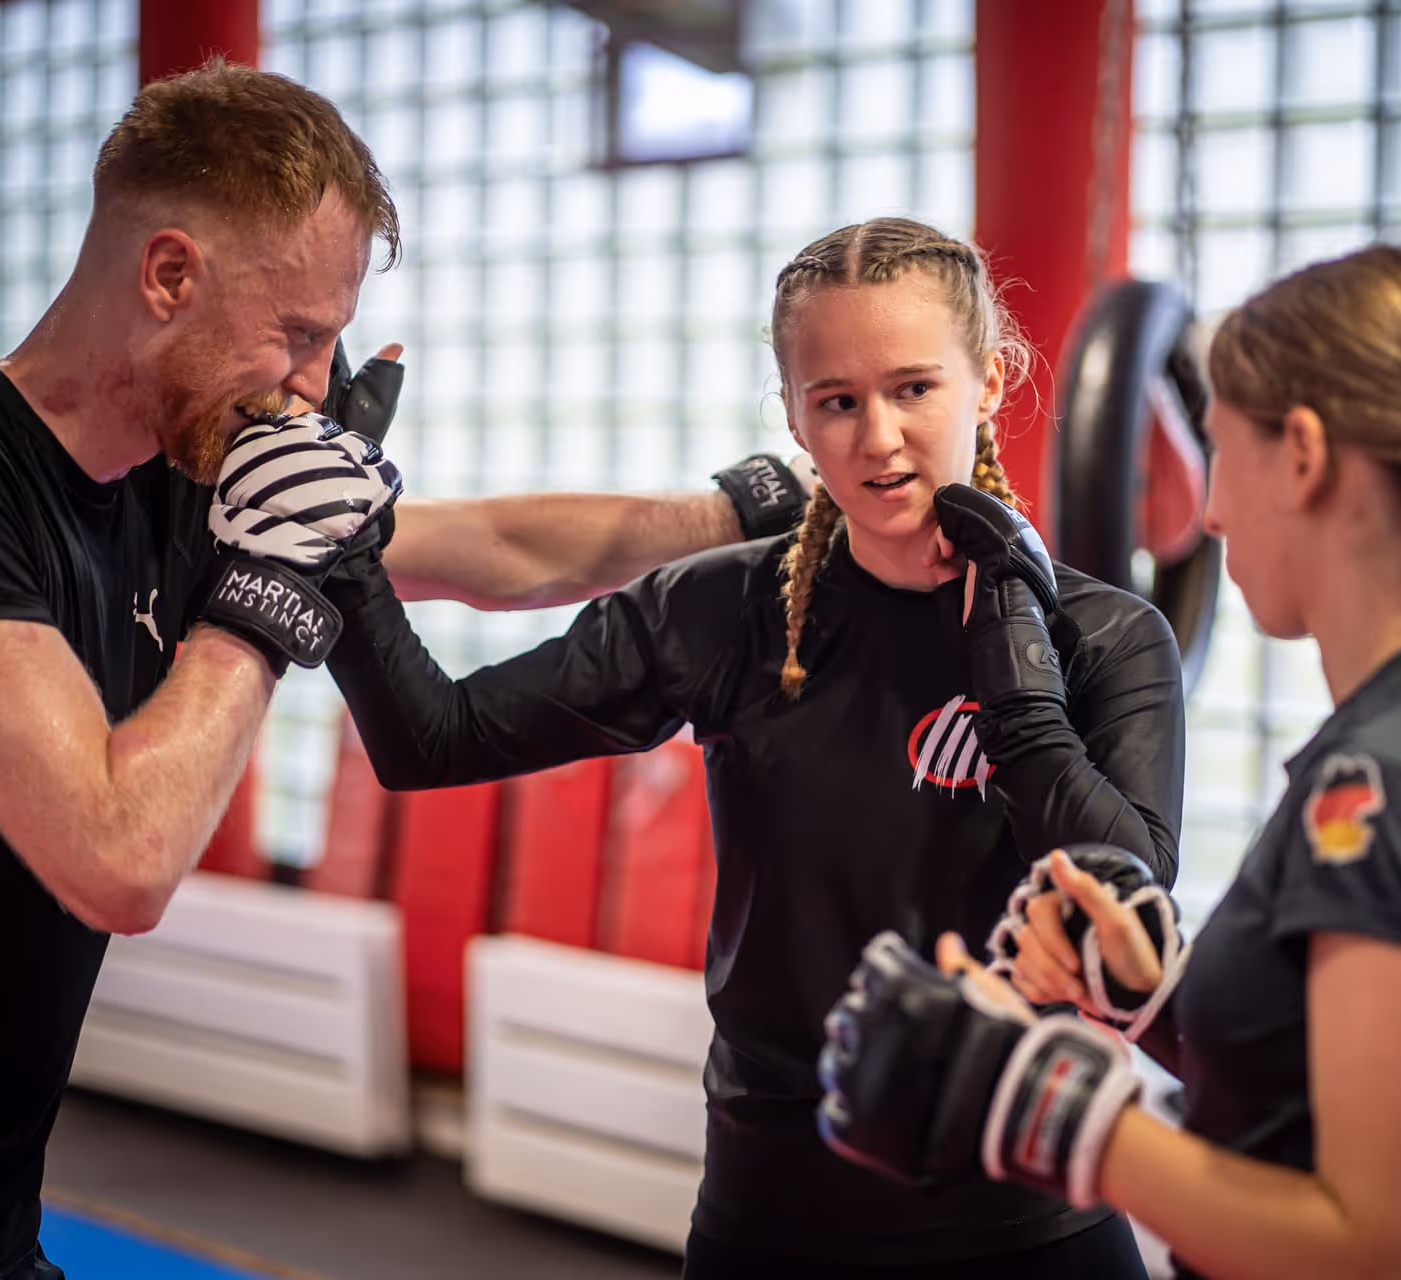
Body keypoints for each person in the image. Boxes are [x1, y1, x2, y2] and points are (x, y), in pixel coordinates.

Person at [0, 60, 810, 1280]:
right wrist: (264, 597)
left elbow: (493, 548)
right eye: (299, 334)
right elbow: (117, 856)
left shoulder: (182, 486)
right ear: (169, 274)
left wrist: (753, 507)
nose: (318, 386)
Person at [317, 216, 1186, 1278]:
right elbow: (433, 739)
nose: (878, 438)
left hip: (1033, 1227)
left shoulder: (1104, 633)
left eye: (914, 388)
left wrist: (1016, 674)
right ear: (794, 415)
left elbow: (1129, 901)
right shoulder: (731, 609)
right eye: (838, 401)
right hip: (777, 1212)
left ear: (990, 379)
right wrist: (345, 545)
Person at [816, 243, 1401, 1280]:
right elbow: (1344, 1108)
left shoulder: (1390, 788)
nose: (1213, 511)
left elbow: (1382, 1252)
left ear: (1305, 457)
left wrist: (1044, 1097)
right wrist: (1151, 999)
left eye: (1222, 448)